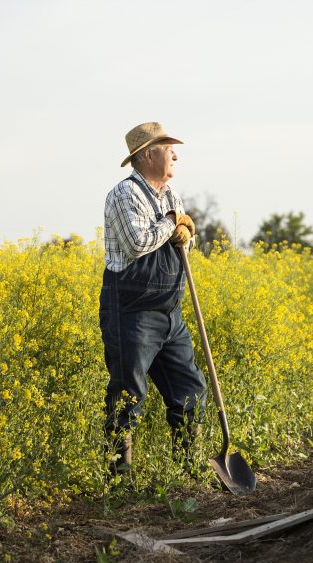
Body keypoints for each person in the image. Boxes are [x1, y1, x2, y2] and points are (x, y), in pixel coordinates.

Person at [100, 122, 208, 477]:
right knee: (129, 393)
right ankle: (120, 480)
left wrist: (185, 233)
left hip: (169, 311)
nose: (175, 154)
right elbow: (137, 243)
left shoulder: (169, 195)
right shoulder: (124, 194)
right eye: (167, 148)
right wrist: (172, 223)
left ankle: (186, 472)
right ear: (147, 155)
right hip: (131, 309)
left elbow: (181, 244)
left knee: (189, 389)